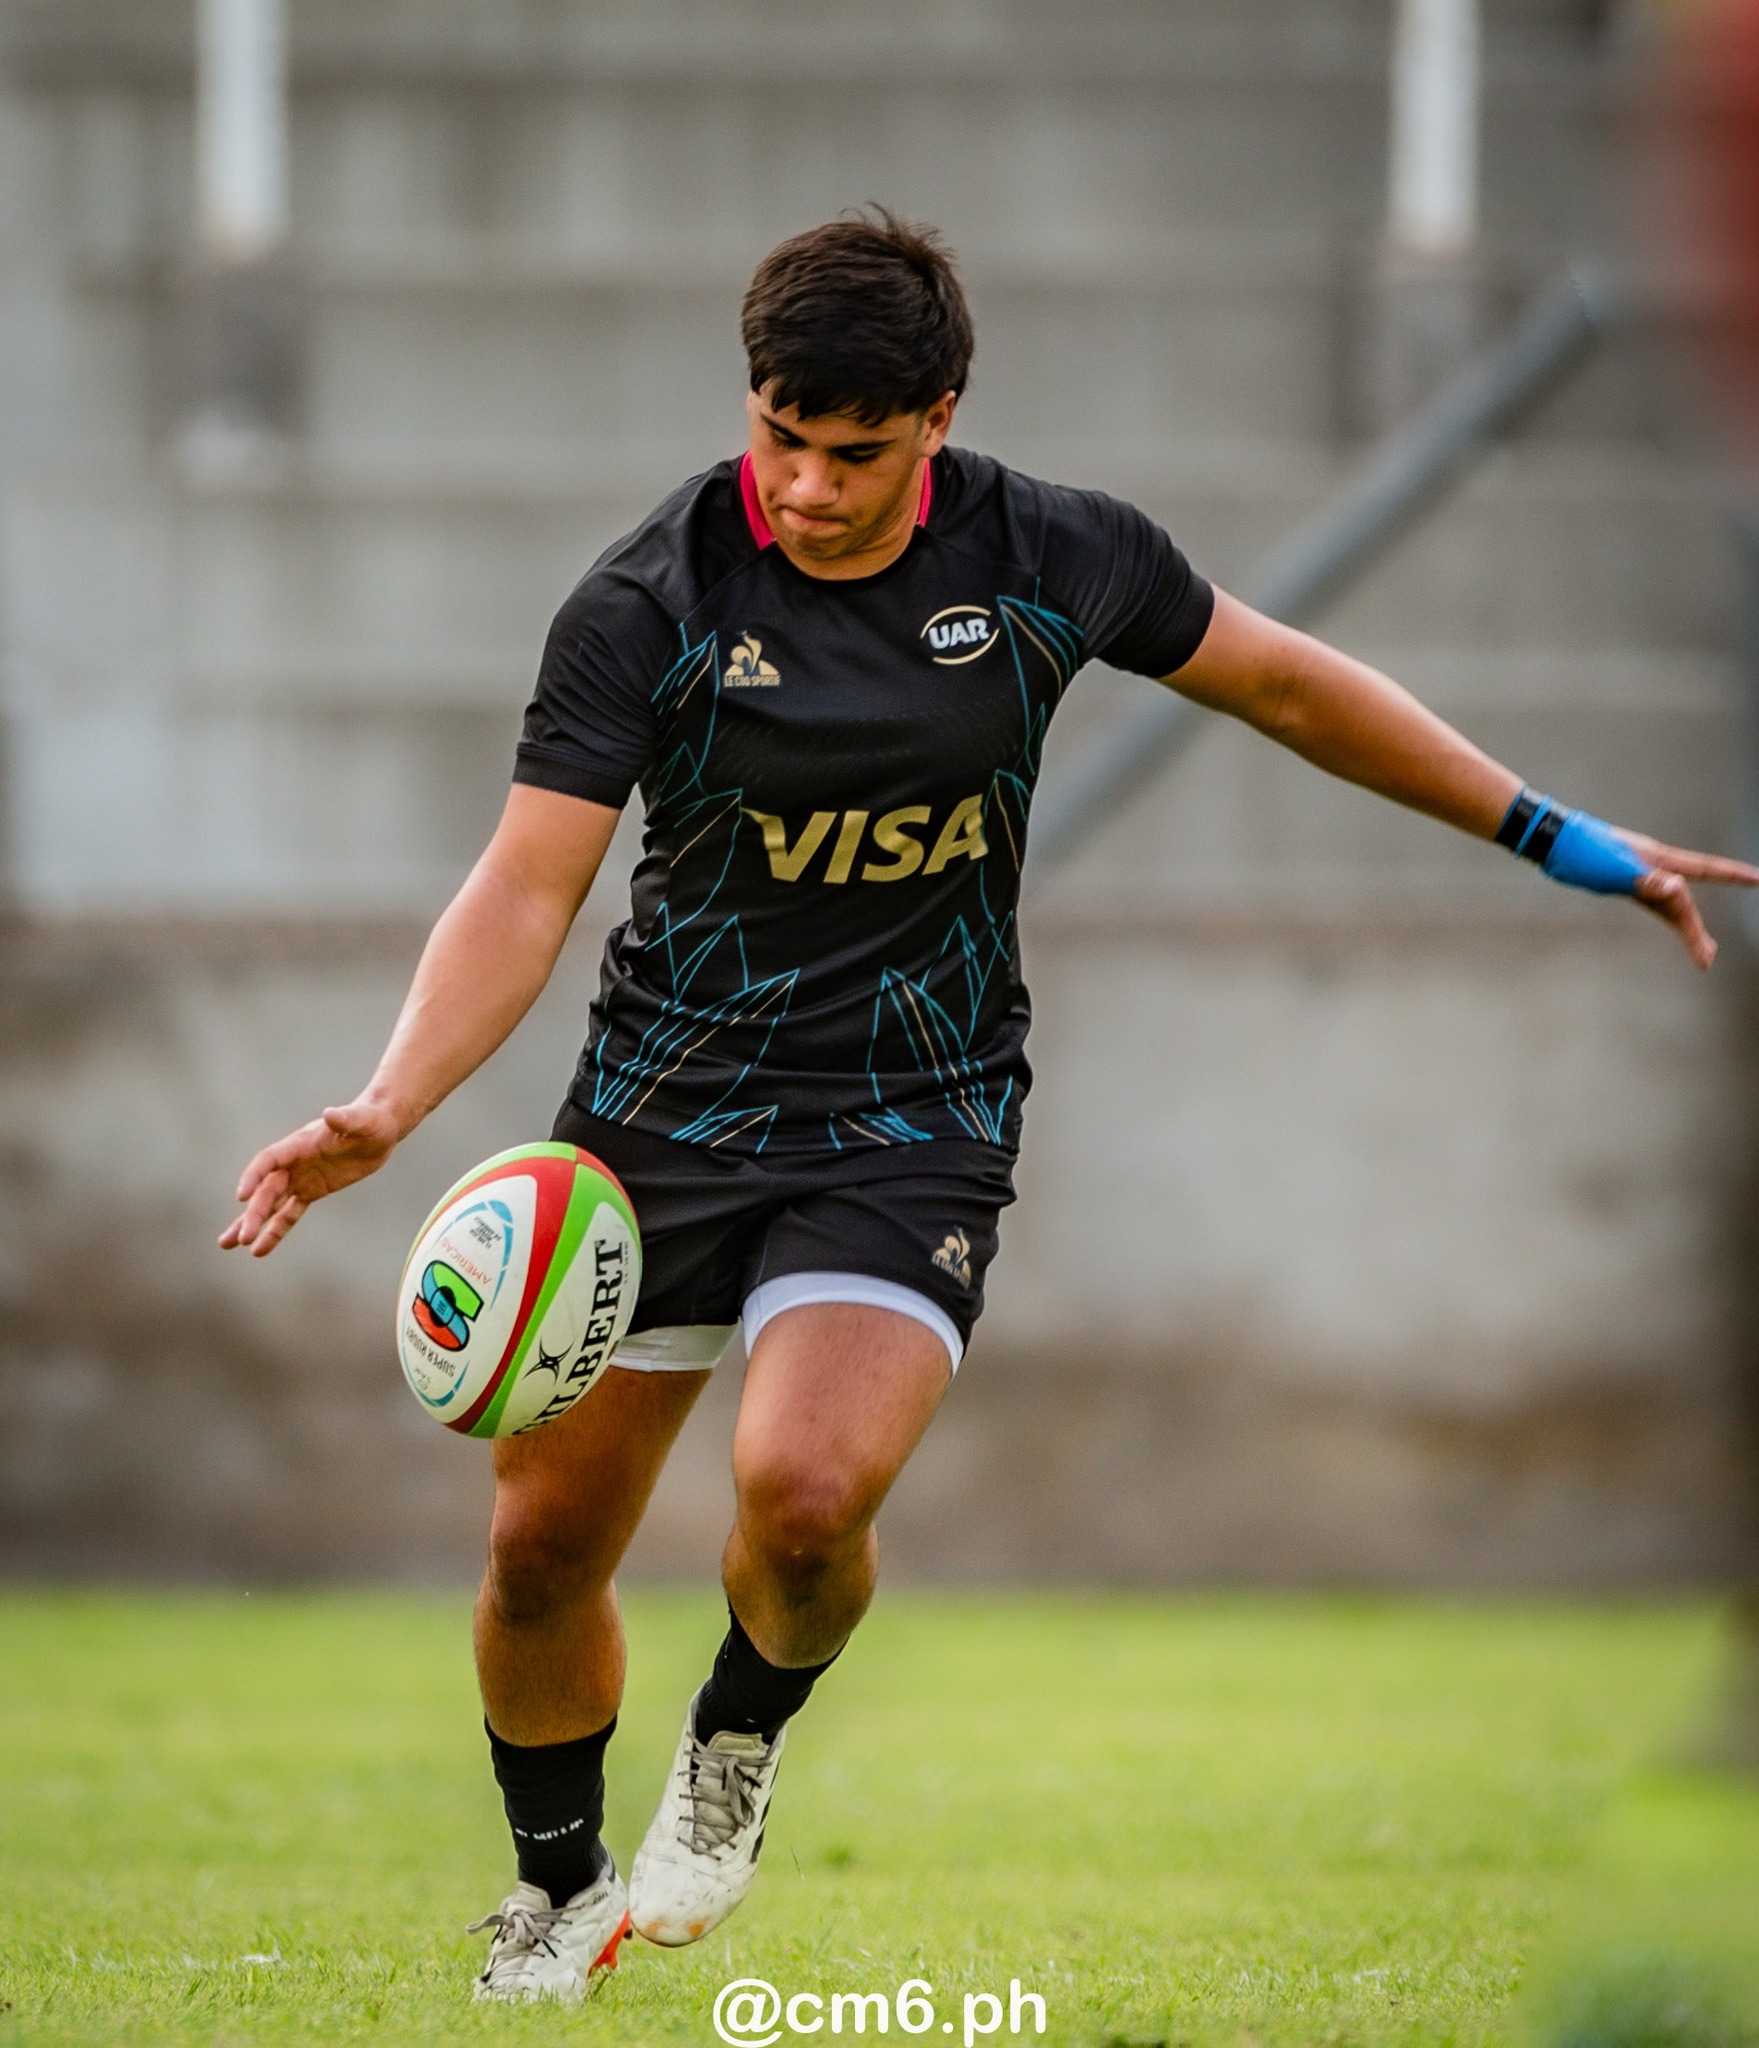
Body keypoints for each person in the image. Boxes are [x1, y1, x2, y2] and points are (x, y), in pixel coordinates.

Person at [218, 209, 1758, 2002]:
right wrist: (391, 1102)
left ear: (939, 420)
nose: (806, 485)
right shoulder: (650, 599)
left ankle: (737, 1739)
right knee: (543, 1543)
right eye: (779, 436)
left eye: (854, 452)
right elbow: (523, 884)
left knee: (804, 1497)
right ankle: (556, 1895)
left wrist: (1556, 836)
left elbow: (1286, 686)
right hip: (656, 1123)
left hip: (913, 1112)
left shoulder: (1052, 555)